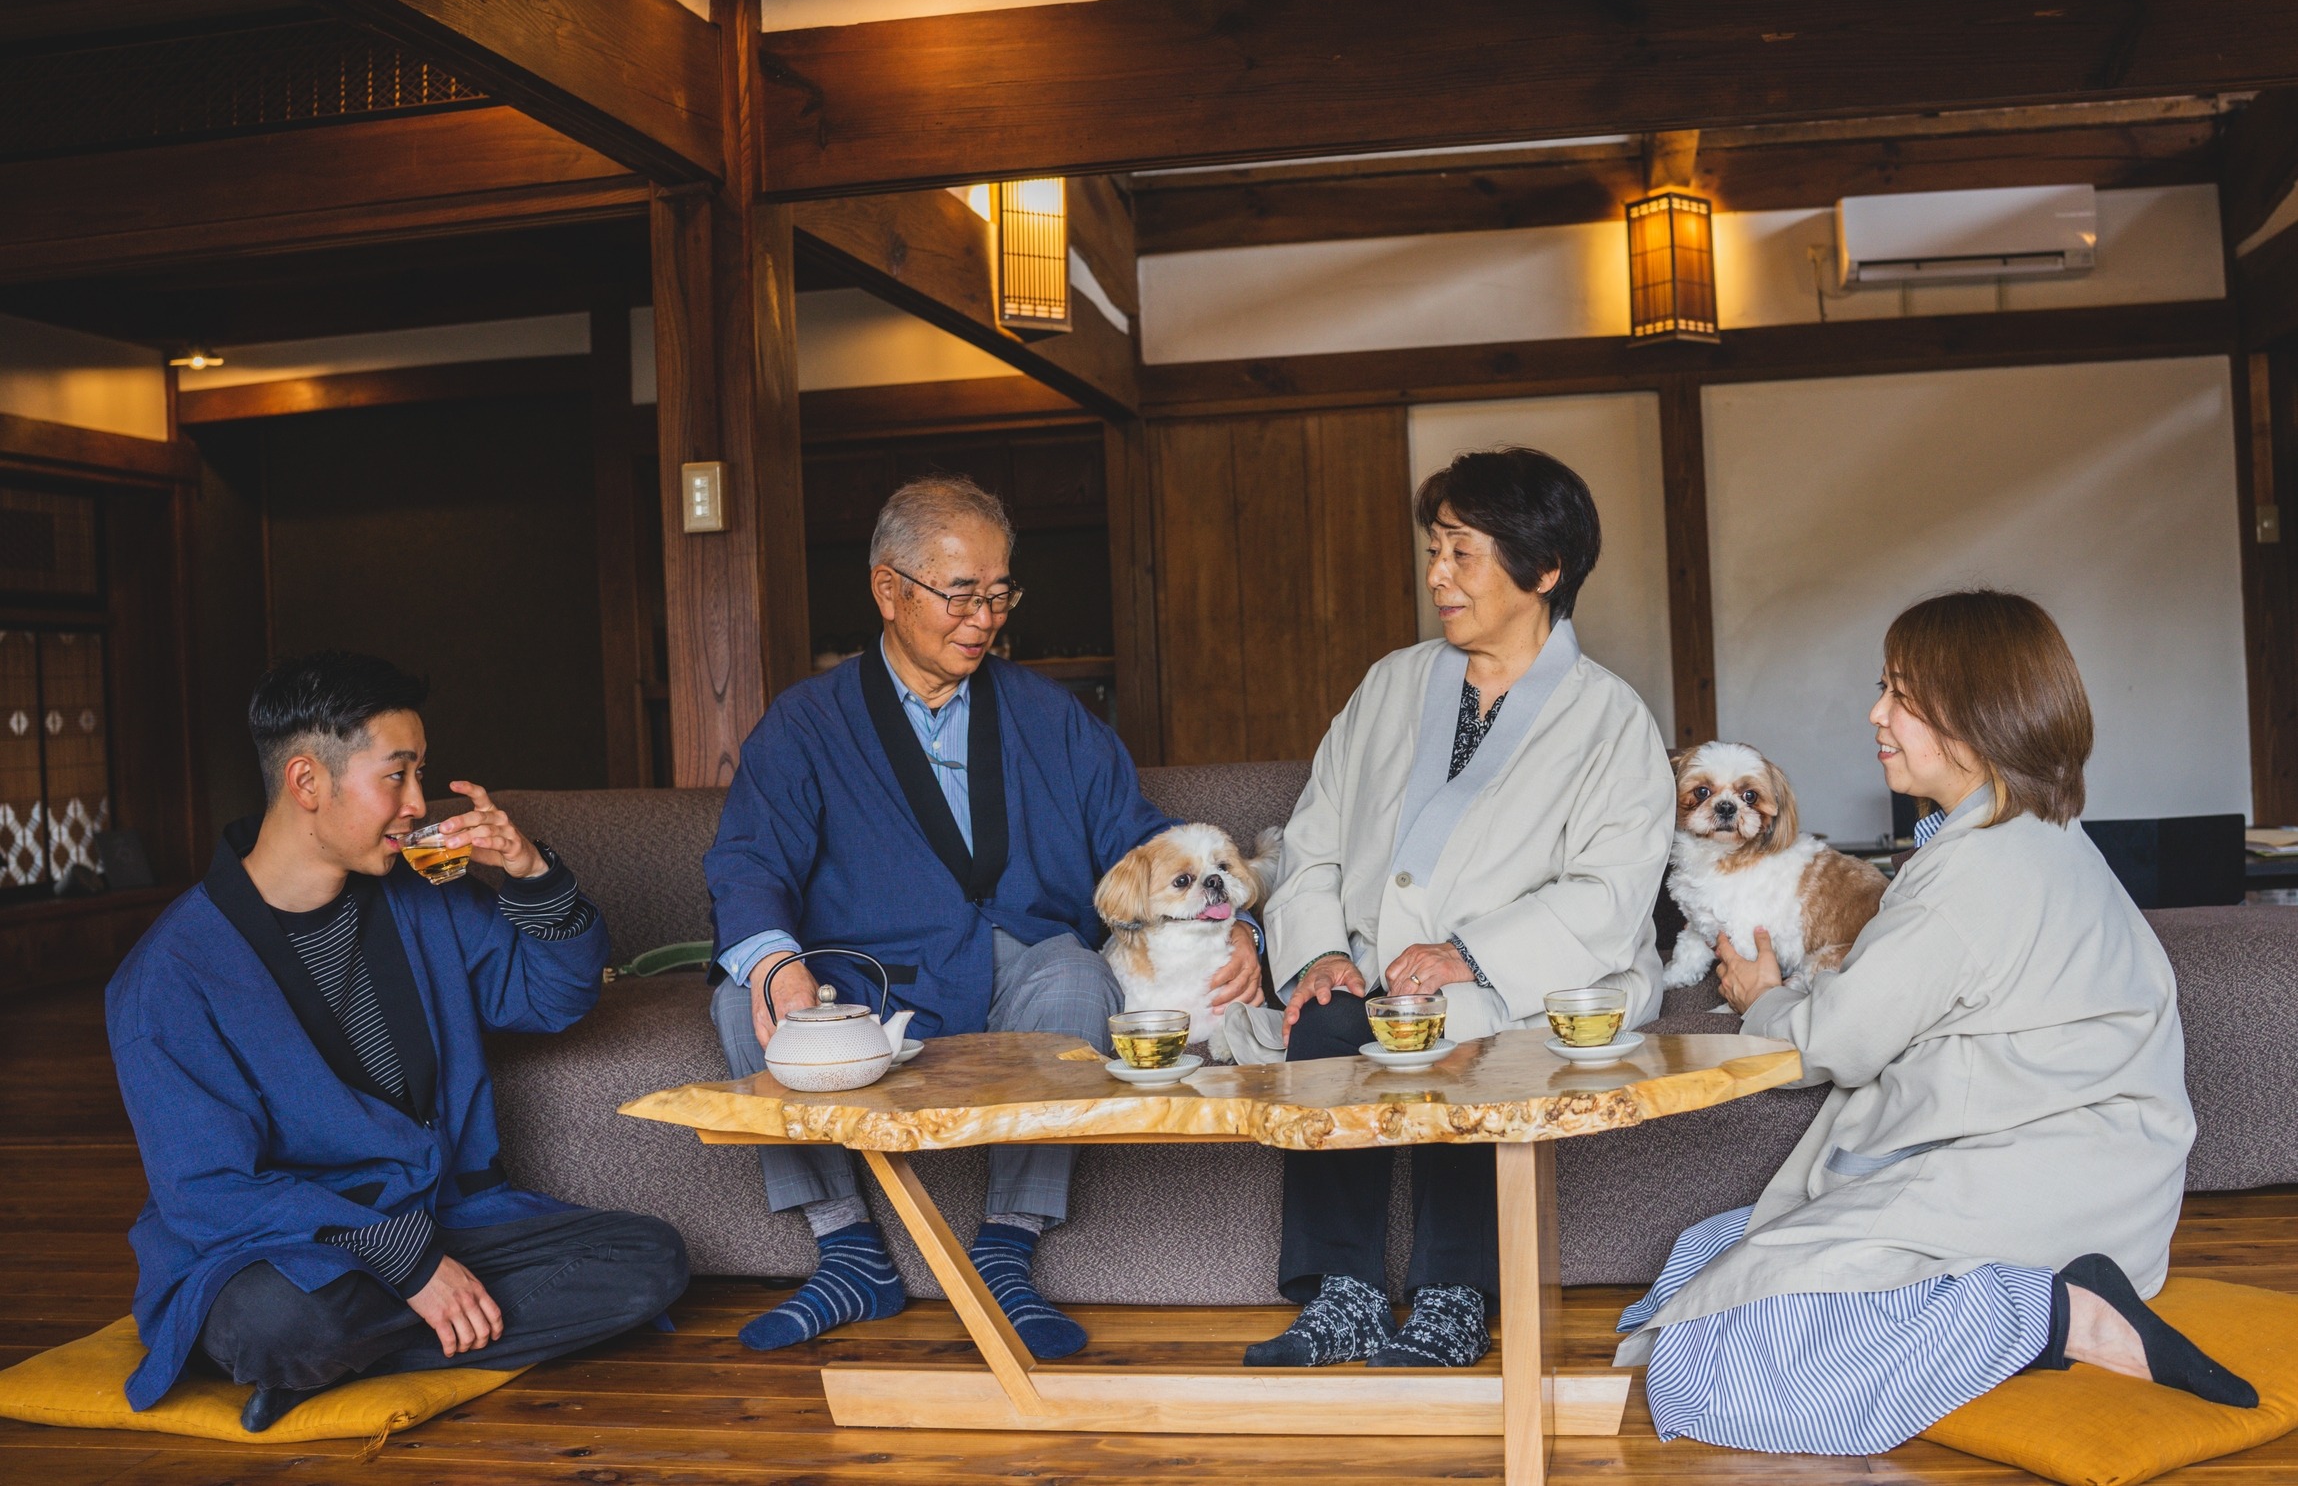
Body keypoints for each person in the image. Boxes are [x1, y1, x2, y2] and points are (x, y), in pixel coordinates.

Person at [1615, 590, 2255, 1454]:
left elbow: (1829, 1043)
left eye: (1904, 697)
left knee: (1702, 1375)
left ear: (1980, 715)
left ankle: (2057, 1314)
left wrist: (1761, 997)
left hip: (2044, 1178)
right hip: (2092, 1171)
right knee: (1708, 1254)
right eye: (1884, 688)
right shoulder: (2031, 832)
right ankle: (2045, 1304)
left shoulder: (1974, 872)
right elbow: (1884, 1000)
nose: (1876, 714)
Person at [705, 474, 1264, 1358]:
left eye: (999, 593)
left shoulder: (1053, 716)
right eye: (960, 592)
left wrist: (1239, 926)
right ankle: (848, 1252)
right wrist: (777, 963)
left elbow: (1144, 841)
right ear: (889, 590)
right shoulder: (804, 724)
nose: (985, 615)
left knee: (1079, 977)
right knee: (744, 1004)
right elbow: (748, 861)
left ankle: (1007, 1246)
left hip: (1017, 961)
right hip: (865, 977)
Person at [106, 652, 688, 1433]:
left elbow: (552, 998)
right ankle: (355, 1339)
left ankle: (348, 1360)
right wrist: (405, 1262)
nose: (419, 803)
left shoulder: (420, 896)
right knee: (280, 1324)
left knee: (648, 1261)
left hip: (447, 1219)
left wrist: (529, 870)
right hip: (284, 1249)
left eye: (422, 775)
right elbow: (208, 1191)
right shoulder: (169, 975)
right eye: (398, 775)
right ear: (307, 782)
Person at [1243, 447, 1674, 1369]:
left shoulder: (1611, 720)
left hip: (1514, 976)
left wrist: (1468, 954)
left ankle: (1453, 1297)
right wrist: (1319, 951)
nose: (1437, 576)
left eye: (1463, 553)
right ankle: (1341, 1294)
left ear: (1545, 571)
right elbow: (1312, 837)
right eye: (1435, 549)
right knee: (1324, 1021)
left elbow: (1609, 893)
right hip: (1372, 959)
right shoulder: (1390, 685)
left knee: (1467, 1033)